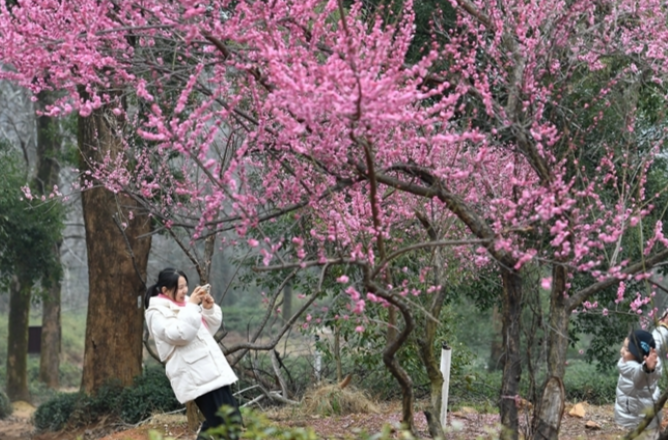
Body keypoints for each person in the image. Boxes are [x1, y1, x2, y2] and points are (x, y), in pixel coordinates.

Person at [145, 268, 241, 440]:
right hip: (196, 375)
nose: (185, 291)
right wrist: (192, 307)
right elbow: (180, 335)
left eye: (185, 286)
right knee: (224, 425)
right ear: (165, 290)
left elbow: (205, 331)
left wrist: (208, 308)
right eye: (180, 287)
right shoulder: (156, 313)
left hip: (212, 370)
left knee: (226, 422)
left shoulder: (187, 304)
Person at [614, 330, 662, 439]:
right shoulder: (650, 365)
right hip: (639, 416)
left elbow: (641, 379)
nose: (621, 351)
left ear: (638, 356)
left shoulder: (635, 369)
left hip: (637, 420)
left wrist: (646, 369)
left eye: (626, 349)